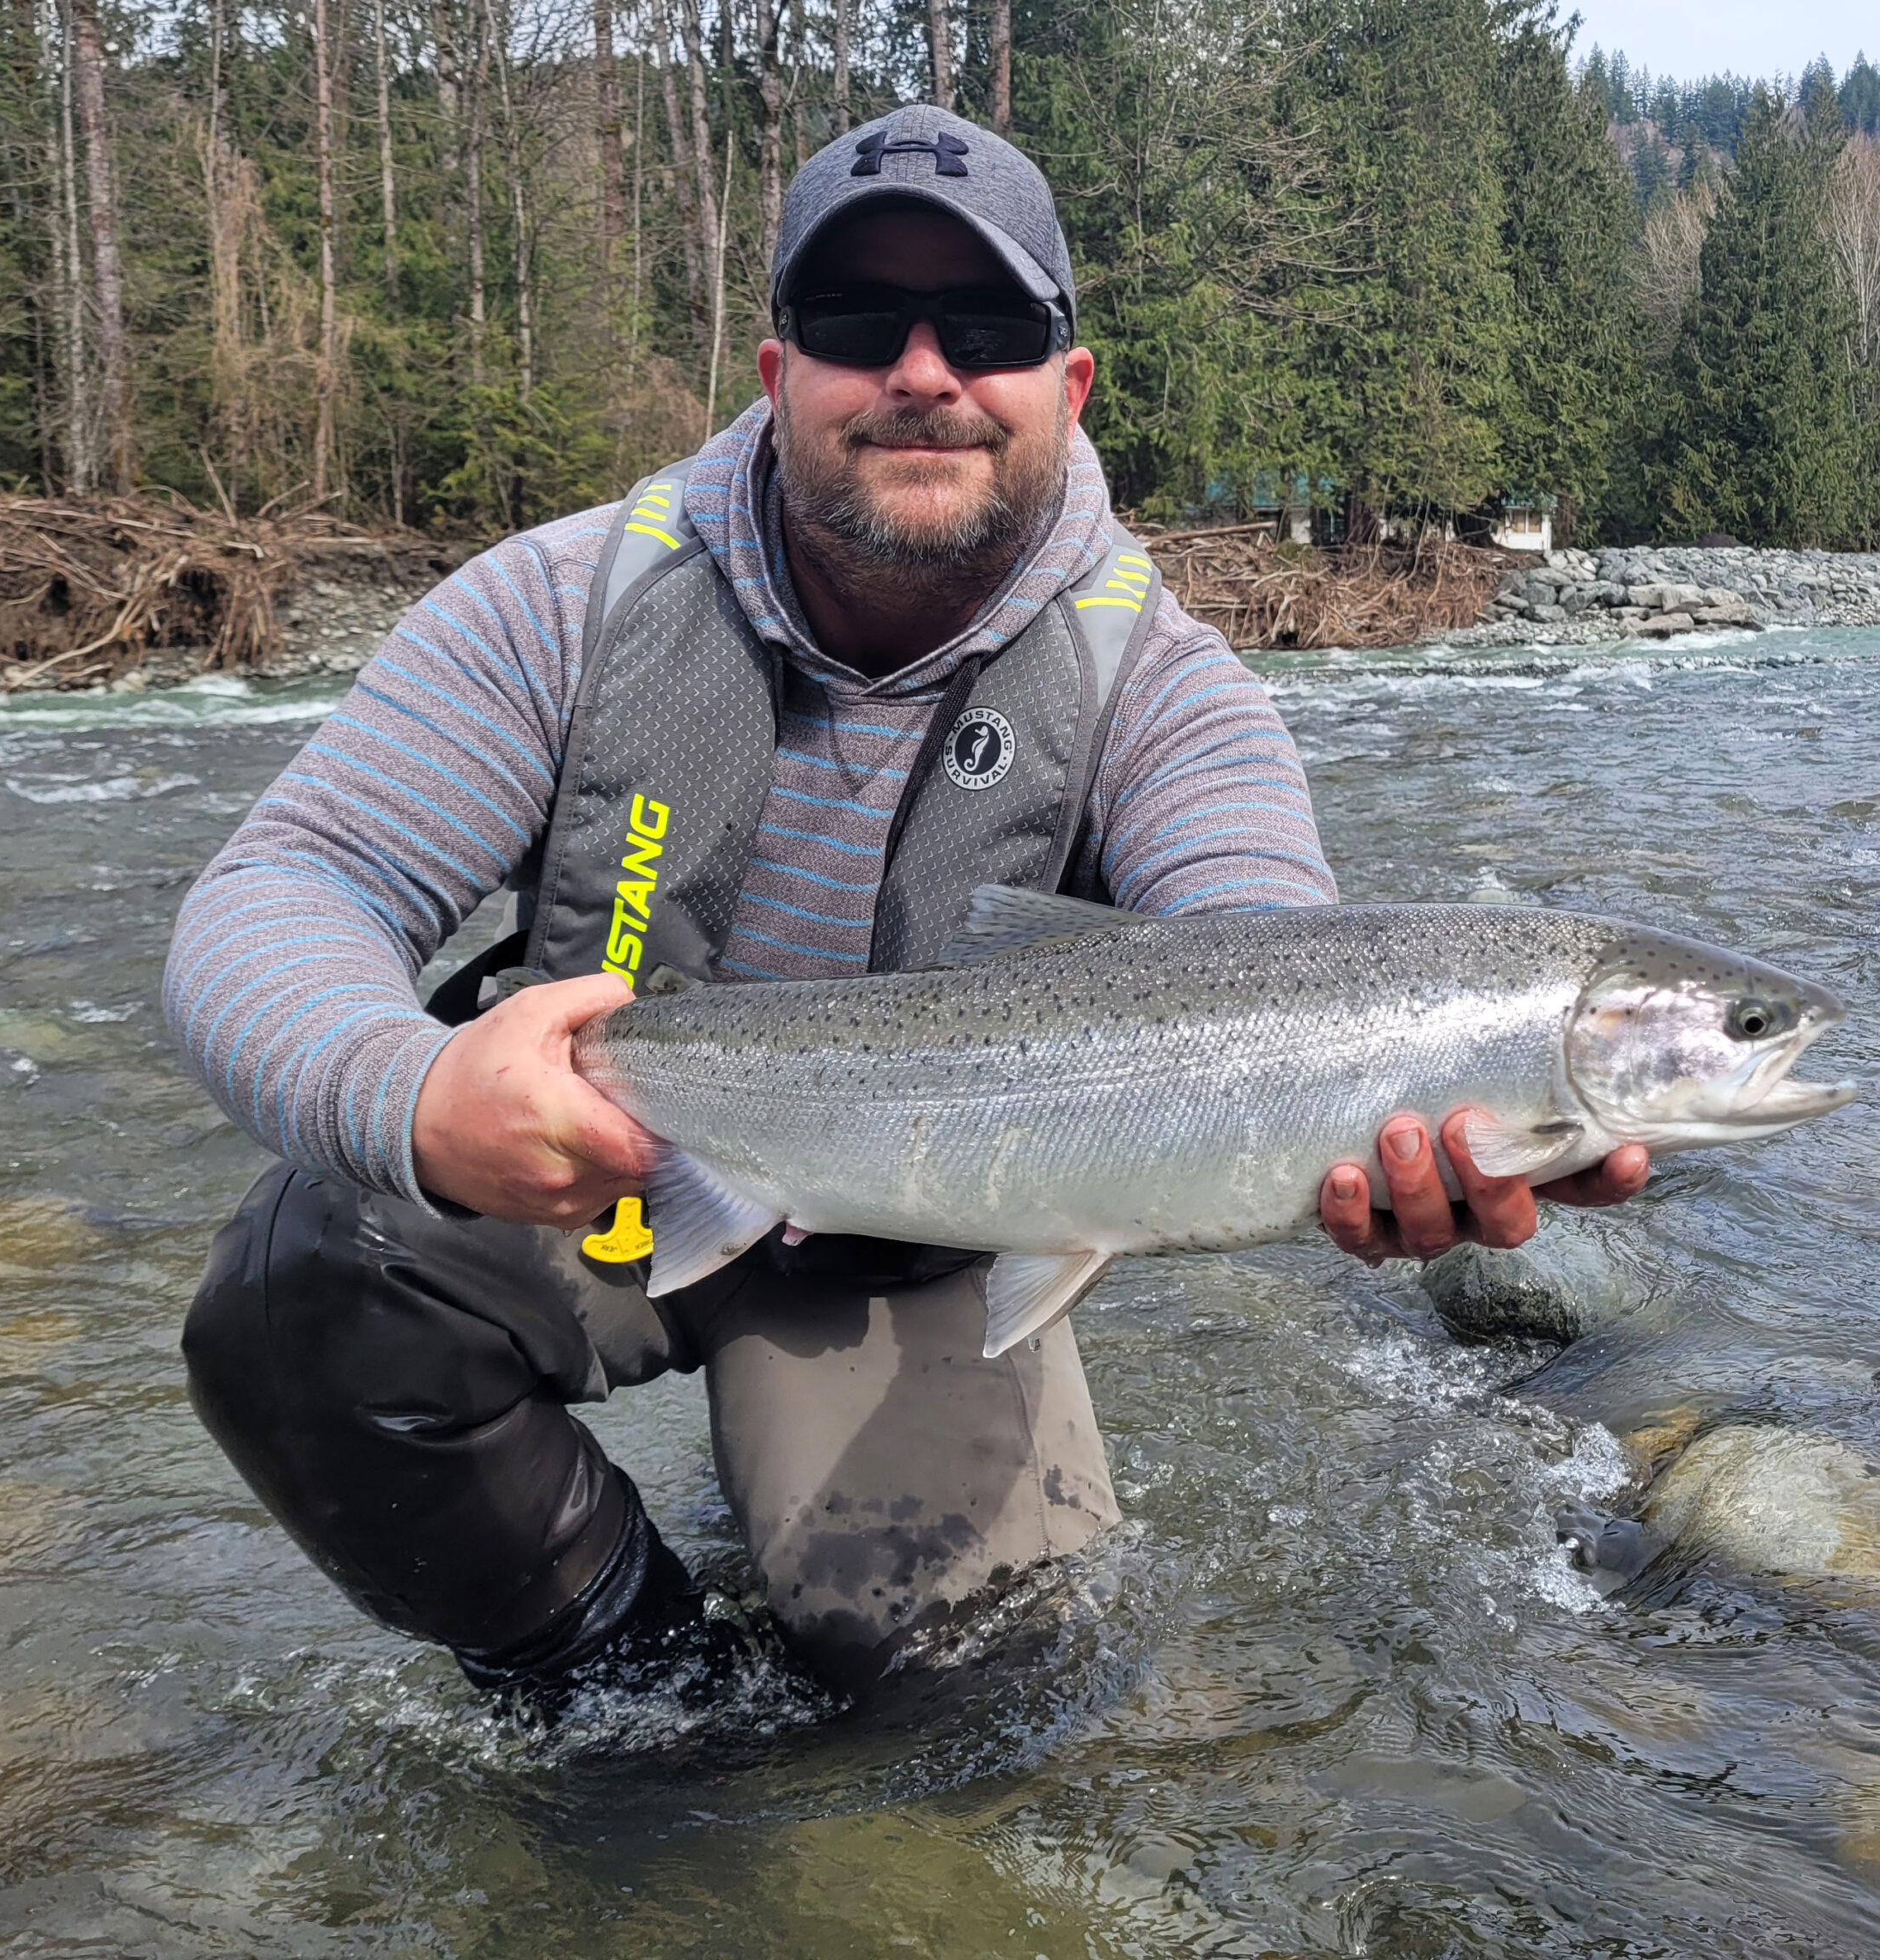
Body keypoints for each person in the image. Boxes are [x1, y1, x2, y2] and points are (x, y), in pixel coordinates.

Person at [166, 106, 1646, 1704]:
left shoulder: (1166, 694)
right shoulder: (558, 603)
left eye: (989, 328)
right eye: (860, 322)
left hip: (924, 1240)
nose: (923, 374)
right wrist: (413, 1089)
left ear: (1065, 389)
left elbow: (1263, 953)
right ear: (777, 372)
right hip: (596, 1165)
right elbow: (279, 891)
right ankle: (619, 1678)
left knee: (981, 1697)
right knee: (297, 1296)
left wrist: (1371, 1128)